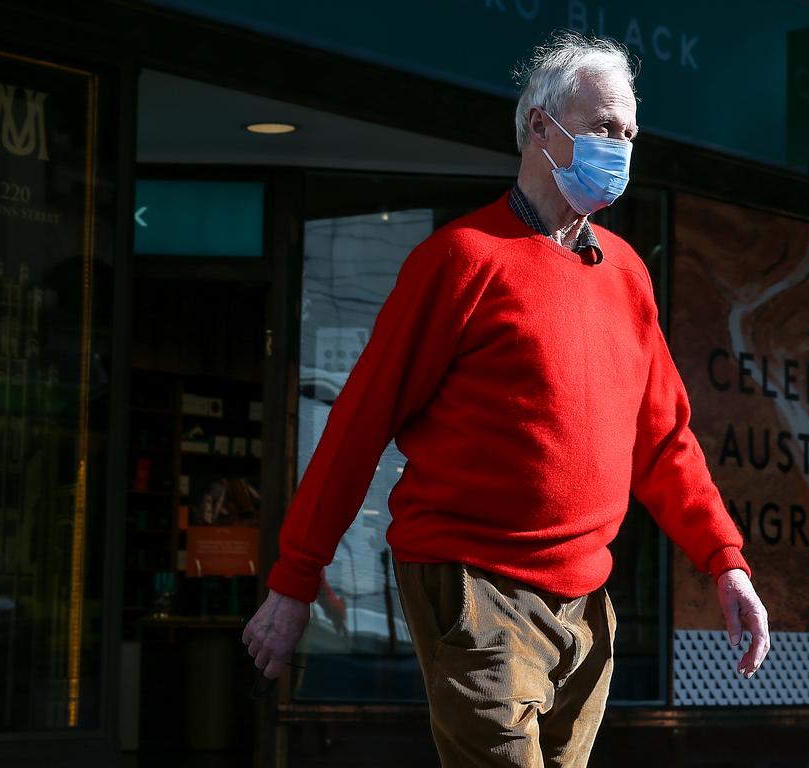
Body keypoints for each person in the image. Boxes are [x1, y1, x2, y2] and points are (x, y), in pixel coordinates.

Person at [243, 31, 770, 767]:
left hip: (587, 602)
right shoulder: (461, 260)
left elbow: (665, 441)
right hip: (474, 584)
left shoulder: (625, 274)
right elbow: (360, 424)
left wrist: (726, 562)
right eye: (601, 128)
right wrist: (295, 581)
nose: (618, 148)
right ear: (539, 126)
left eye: (628, 133)